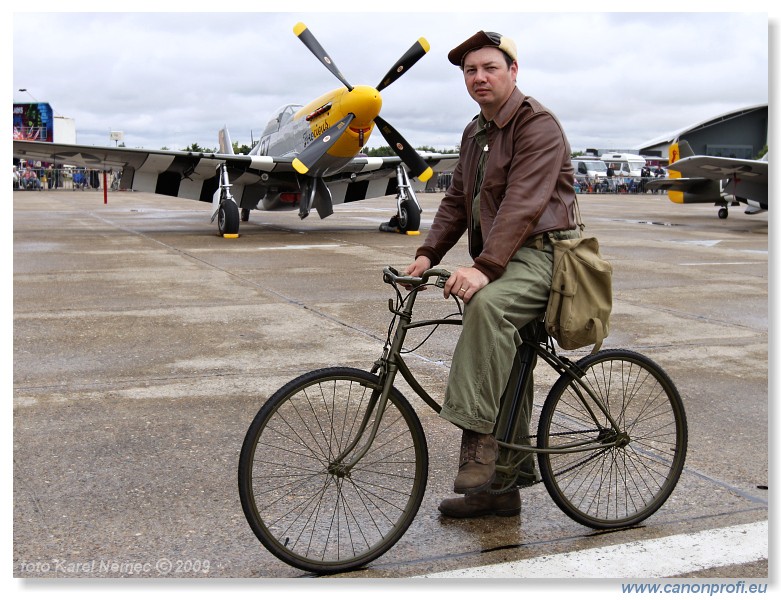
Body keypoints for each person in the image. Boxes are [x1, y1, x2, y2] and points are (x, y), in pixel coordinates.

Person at [404, 30, 579, 519]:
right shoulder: (475, 132)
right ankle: (501, 491)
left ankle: (479, 446)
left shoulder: (537, 126)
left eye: (489, 68)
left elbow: (523, 204)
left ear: (513, 72)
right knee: (503, 365)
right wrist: (428, 253)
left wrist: (484, 268)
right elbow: (458, 200)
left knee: (488, 306)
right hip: (507, 258)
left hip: (546, 257)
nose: (479, 78)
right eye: (469, 71)